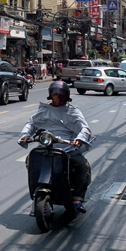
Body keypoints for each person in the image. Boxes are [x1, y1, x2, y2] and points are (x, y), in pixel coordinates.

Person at [18, 81, 93, 213]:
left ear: (66, 97)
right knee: (30, 160)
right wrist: (25, 135)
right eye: (55, 95)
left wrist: (79, 139)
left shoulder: (73, 111)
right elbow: (31, 124)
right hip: (45, 147)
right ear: (50, 96)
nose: (58, 98)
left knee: (83, 166)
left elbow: (84, 128)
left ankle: (78, 198)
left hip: (67, 148)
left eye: (61, 95)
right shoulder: (44, 110)